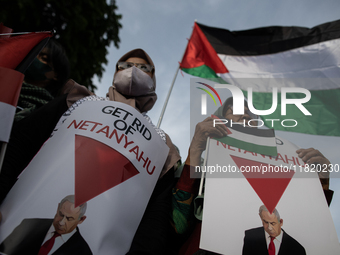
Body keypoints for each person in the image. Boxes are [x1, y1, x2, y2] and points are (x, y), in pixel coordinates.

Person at [0, 49, 180, 254]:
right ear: (115, 72)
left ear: (153, 78)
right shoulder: (77, 101)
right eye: (125, 66)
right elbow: (23, 141)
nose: (133, 71)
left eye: (143, 68)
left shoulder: (162, 145)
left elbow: (155, 217)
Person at [173, 97, 333, 255]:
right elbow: (178, 225)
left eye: (251, 114)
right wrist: (195, 149)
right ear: (218, 119)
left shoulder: (279, 169)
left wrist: (321, 184)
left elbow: (306, 227)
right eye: (235, 111)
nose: (246, 115)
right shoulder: (198, 165)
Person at [0, 195, 92, 255]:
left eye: (69, 218)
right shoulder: (29, 224)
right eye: (61, 214)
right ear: (58, 207)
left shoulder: (83, 251)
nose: (61, 222)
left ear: (81, 219)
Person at [15, 38, 70, 122]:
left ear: (56, 75)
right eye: (34, 54)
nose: (35, 59)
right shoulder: (5, 88)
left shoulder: (49, 114)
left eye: (44, 58)